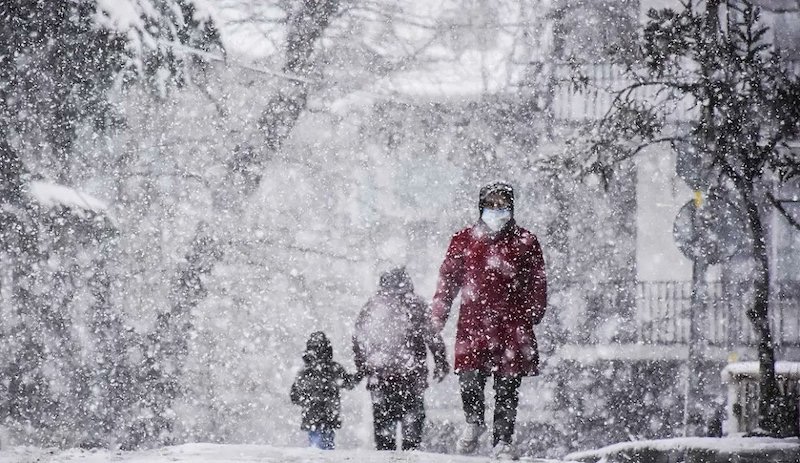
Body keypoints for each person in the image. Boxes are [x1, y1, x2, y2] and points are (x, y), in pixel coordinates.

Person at [430, 181, 547, 460]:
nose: (497, 210)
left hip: (512, 325)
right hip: (474, 324)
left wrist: (533, 311)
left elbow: (537, 281)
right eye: (491, 204)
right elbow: (447, 281)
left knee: (507, 388)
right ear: (480, 206)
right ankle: (474, 420)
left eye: (502, 204)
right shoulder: (463, 241)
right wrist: (438, 315)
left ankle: (503, 442)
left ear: (512, 206)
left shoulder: (526, 242)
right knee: (469, 378)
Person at [353, 267, 449, 451]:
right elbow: (432, 336)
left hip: (380, 377)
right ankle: (409, 454)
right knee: (412, 432)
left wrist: (363, 366)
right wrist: (440, 362)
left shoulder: (373, 305)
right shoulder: (416, 304)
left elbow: (359, 338)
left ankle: (386, 453)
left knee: (384, 431)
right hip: (411, 377)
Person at [290, 331, 360, 450]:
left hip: (312, 415)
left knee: (316, 445)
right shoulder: (333, 369)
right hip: (329, 415)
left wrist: (307, 400)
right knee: (326, 444)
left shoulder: (305, 372)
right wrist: (360, 374)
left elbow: (295, 395)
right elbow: (348, 383)